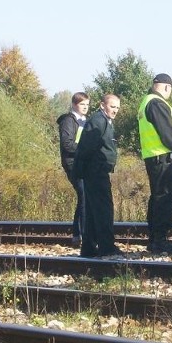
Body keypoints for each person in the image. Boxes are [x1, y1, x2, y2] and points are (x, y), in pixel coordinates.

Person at [137, 73, 172, 255]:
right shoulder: (157, 103)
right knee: (165, 197)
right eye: (171, 89)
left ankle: (155, 239)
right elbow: (167, 132)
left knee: (158, 197)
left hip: (155, 157)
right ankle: (160, 240)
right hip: (163, 158)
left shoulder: (146, 102)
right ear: (167, 87)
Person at [73, 94, 122, 257]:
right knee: (103, 209)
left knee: (94, 211)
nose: (115, 110)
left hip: (96, 171)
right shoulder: (98, 121)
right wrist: (91, 168)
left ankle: (88, 248)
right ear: (102, 105)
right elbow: (87, 148)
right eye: (112, 106)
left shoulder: (103, 121)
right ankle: (106, 247)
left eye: (117, 107)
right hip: (95, 172)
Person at [57, 92, 90, 247]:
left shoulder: (86, 121)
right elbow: (67, 144)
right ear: (74, 105)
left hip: (84, 163)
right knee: (83, 193)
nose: (85, 107)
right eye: (82, 104)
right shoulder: (68, 121)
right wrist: (86, 150)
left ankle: (77, 234)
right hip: (72, 163)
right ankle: (82, 234)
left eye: (87, 104)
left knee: (84, 197)